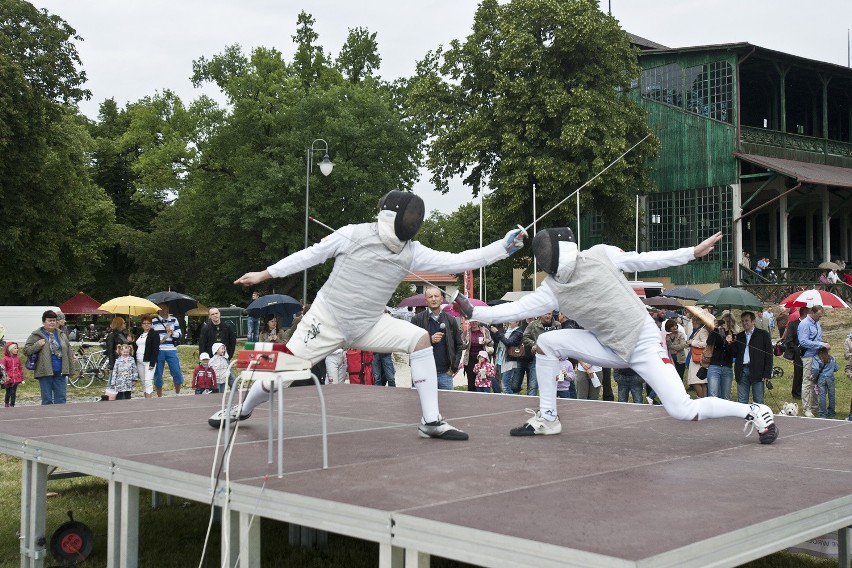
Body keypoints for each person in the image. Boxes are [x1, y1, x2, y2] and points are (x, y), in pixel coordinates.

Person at [222, 190, 525, 440]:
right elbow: (311, 254)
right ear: (391, 217)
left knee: (420, 339)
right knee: (282, 375)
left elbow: (459, 260)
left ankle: (431, 420)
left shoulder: (412, 250)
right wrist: (265, 273)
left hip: (370, 323)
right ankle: (243, 409)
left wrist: (503, 247)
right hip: (326, 321)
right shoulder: (352, 234)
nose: (411, 223)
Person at [456, 228, 778, 444]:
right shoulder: (552, 289)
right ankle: (549, 416)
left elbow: (644, 259)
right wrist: (473, 311)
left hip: (643, 343)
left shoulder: (600, 255)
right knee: (548, 343)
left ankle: (754, 411)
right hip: (607, 346)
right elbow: (514, 310)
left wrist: (691, 253)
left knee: (682, 409)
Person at [411, 287, 464, 391]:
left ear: (441, 299)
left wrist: (454, 367)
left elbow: (459, 345)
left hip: (444, 374)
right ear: (426, 300)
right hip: (422, 373)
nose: (433, 299)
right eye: (430, 297)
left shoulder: (451, 320)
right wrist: (429, 340)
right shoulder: (416, 319)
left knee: (446, 405)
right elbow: (410, 345)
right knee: (420, 405)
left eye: (436, 296)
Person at [24, 310, 78, 405]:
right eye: (49, 320)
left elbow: (68, 348)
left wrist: (72, 357)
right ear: (43, 322)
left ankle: (60, 419)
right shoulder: (36, 335)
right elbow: (26, 351)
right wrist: (37, 345)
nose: (52, 322)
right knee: (47, 400)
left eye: (54, 320)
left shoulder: (61, 334)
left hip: (60, 371)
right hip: (45, 371)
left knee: (61, 399)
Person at [733, 311, 774, 405]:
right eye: (742, 321)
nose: (744, 323)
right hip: (742, 370)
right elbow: (734, 354)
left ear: (753, 321)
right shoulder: (739, 336)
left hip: (757, 371)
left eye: (747, 320)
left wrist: (767, 373)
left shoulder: (763, 334)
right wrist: (731, 343)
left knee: (758, 401)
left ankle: (758, 418)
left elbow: (769, 354)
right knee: (742, 401)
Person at [798, 305, 829, 418]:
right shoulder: (804, 324)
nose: (819, 318)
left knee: (816, 382)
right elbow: (803, 341)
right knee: (807, 383)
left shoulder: (817, 323)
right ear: (812, 312)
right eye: (818, 316)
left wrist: (823, 346)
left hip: (817, 356)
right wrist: (820, 344)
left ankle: (815, 407)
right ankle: (807, 408)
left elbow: (818, 338)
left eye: (820, 316)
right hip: (808, 356)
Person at [521, 312, 561, 397]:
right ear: (541, 314)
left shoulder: (557, 325)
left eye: (549, 314)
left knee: (551, 384)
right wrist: (533, 344)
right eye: (545, 314)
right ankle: (531, 404)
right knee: (533, 384)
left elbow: (561, 339)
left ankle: (549, 405)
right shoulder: (533, 324)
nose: (548, 316)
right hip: (538, 358)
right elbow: (525, 337)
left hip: (552, 359)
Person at [152, 303, 184, 397]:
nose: (162, 310)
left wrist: (171, 332)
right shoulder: (154, 321)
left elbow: (179, 334)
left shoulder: (174, 320)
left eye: (164, 308)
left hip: (171, 349)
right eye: (160, 308)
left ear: (168, 309)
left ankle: (177, 393)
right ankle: (159, 396)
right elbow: (151, 336)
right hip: (158, 349)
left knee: (176, 371)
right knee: (158, 373)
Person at [705, 316, 735, 400]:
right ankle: (713, 413)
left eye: (727, 322)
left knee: (725, 396)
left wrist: (729, 342)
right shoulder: (715, 332)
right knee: (713, 394)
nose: (724, 324)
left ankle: (724, 413)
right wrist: (715, 328)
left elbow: (734, 353)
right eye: (722, 322)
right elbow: (709, 342)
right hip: (715, 365)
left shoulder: (732, 334)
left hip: (727, 367)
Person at [490, 321, 523, 394]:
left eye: (512, 320)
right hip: (500, 359)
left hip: (510, 361)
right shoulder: (506, 330)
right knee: (504, 385)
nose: (509, 322)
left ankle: (512, 402)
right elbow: (498, 340)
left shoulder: (518, 332)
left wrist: (497, 332)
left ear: (517, 322)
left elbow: (508, 342)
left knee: (505, 387)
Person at [783, 307, 807, 399]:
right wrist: (796, 349)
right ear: (804, 313)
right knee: (798, 373)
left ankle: (805, 392)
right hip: (797, 352)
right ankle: (796, 393)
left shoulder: (809, 324)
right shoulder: (793, 324)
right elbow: (789, 340)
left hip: (808, 351)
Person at [685, 309, 710, 399]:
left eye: (692, 321)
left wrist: (693, 342)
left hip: (698, 359)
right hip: (697, 358)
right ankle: (704, 399)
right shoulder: (698, 330)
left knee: (695, 381)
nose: (692, 324)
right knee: (701, 381)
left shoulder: (702, 331)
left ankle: (701, 399)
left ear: (696, 321)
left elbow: (705, 343)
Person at [462, 320, 492, 391]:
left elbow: (491, 343)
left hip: (482, 359)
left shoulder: (485, 331)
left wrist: (486, 341)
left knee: (483, 380)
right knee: (471, 381)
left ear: (478, 322)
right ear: (469, 322)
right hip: (470, 359)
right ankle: (472, 398)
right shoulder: (466, 333)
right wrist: (466, 341)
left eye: (475, 321)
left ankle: (483, 398)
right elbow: (462, 347)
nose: (474, 323)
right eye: (472, 321)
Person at [134, 314, 159, 399]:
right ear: (141, 325)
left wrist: (152, 363)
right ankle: (145, 399)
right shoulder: (139, 334)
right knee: (143, 382)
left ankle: (149, 401)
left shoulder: (154, 334)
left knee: (148, 381)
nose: (146, 324)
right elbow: (135, 346)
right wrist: (130, 341)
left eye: (148, 323)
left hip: (148, 361)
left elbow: (155, 349)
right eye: (144, 323)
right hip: (139, 360)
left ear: (151, 324)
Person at [812, 347, 837, 418]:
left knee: (822, 395)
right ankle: (831, 412)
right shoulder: (832, 358)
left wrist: (812, 377)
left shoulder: (816, 358)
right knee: (831, 395)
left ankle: (822, 413)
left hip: (821, 378)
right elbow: (836, 368)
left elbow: (816, 369)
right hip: (830, 378)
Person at [2, 342, 24, 407]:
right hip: (8, 379)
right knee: (8, 392)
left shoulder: (18, 358)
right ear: (10, 349)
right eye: (15, 348)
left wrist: (21, 377)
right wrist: (5, 377)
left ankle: (12, 404)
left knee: (13, 392)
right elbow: (2, 369)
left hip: (16, 379)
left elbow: (20, 368)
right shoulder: (5, 359)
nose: (17, 349)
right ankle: (6, 403)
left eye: (17, 348)